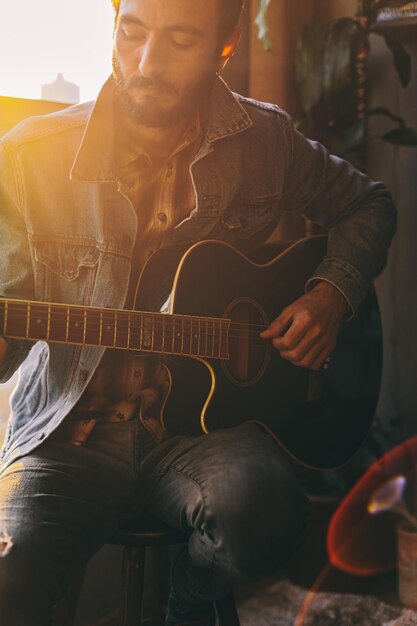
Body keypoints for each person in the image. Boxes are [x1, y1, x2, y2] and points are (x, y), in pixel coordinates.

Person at [0, 0, 396, 624]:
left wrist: (329, 295)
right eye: (132, 33)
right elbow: (13, 320)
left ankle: (188, 596)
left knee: (266, 511)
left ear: (226, 48)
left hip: (205, 434)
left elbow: (370, 205)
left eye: (180, 40)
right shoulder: (29, 158)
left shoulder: (265, 142)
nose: (146, 63)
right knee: (8, 565)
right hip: (68, 432)